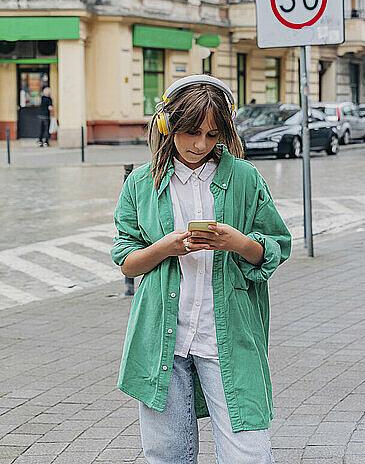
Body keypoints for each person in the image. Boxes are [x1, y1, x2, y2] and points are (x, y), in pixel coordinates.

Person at [111, 74, 291, 464]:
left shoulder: (244, 178)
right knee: (166, 454)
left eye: (212, 135)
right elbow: (126, 259)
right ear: (167, 125)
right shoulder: (142, 183)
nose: (200, 145)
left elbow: (276, 247)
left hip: (228, 334)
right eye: (191, 132)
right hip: (162, 335)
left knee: (249, 453)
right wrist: (167, 246)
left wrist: (238, 242)